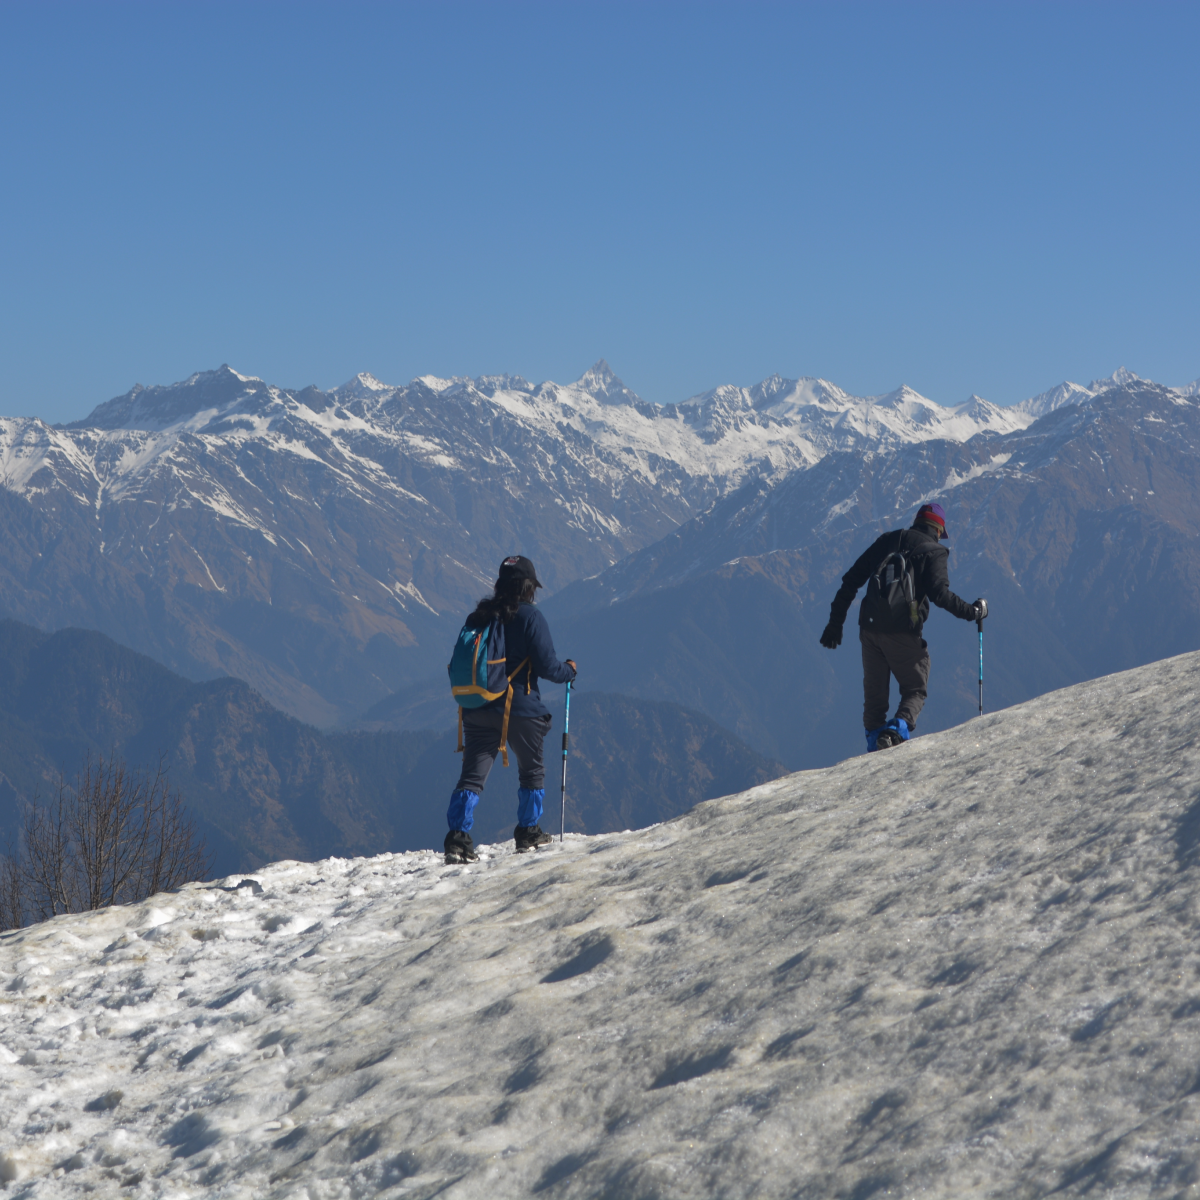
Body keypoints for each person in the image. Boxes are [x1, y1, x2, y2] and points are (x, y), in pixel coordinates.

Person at [819, 502, 986, 752]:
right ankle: (896, 731)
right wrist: (972, 613)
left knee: (875, 698)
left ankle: (874, 744)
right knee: (915, 688)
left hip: (869, 629)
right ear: (939, 530)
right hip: (902, 632)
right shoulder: (935, 551)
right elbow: (940, 595)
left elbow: (851, 580)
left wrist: (835, 624)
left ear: (917, 521)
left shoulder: (889, 540)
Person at [445, 555, 577, 863]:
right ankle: (528, 832)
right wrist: (570, 671)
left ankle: (457, 840)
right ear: (529, 586)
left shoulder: (479, 616)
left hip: (477, 706)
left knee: (472, 776)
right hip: (519, 709)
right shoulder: (531, 617)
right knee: (532, 771)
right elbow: (547, 667)